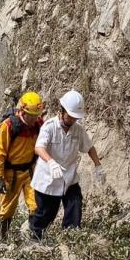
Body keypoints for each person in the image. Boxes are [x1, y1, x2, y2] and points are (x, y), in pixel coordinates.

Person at [29, 90, 105, 239]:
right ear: (62, 110)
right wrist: (51, 162)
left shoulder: (78, 130)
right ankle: (34, 238)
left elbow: (89, 147)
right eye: (70, 116)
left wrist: (98, 166)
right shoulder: (49, 127)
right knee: (46, 213)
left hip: (69, 178)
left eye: (75, 117)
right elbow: (39, 147)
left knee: (75, 203)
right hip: (48, 179)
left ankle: (70, 237)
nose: (73, 120)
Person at [0, 92, 45, 239]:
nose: (34, 118)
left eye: (36, 115)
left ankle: (34, 239)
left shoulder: (38, 124)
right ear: (22, 111)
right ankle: (3, 239)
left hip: (29, 172)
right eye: (30, 115)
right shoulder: (9, 126)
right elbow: (0, 153)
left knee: (35, 205)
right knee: (7, 210)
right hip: (11, 174)